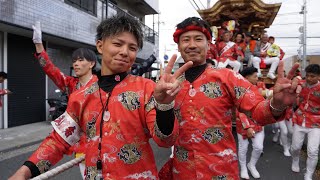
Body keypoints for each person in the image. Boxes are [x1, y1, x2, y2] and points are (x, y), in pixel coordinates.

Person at [9, 15, 192, 180]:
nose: (124, 52)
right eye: (118, 44)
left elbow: (165, 140)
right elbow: (58, 140)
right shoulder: (80, 95)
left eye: (132, 47)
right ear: (100, 45)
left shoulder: (147, 89)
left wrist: (164, 106)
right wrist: (24, 172)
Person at [160, 16, 300, 179]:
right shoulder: (168, 85)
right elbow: (163, 138)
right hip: (183, 171)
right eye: (186, 40)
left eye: (198, 39)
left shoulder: (228, 77)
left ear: (209, 44)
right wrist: (162, 106)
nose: (192, 45)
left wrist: (277, 104)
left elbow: (257, 111)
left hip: (221, 171)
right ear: (178, 45)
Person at [32, 21, 98, 179]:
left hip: (103, 144)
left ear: (92, 64)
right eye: (74, 60)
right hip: (81, 144)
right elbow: (50, 69)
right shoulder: (70, 84)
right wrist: (39, 45)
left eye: (81, 60)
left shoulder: (102, 85)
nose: (76, 63)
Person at [291, 64, 320, 180]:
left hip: (316, 123)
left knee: (313, 151)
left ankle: (309, 173)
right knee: (295, 147)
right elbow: (296, 80)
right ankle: (295, 159)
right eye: (307, 76)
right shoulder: (301, 84)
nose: (309, 78)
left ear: (319, 76)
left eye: (312, 76)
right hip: (299, 119)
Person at [236, 67, 265, 179]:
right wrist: (247, 127)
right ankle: (243, 168)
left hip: (257, 123)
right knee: (243, 148)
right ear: (247, 77)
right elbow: (239, 111)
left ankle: (251, 165)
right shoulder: (238, 90)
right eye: (255, 76)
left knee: (258, 147)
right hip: (242, 124)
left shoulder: (258, 88)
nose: (257, 78)